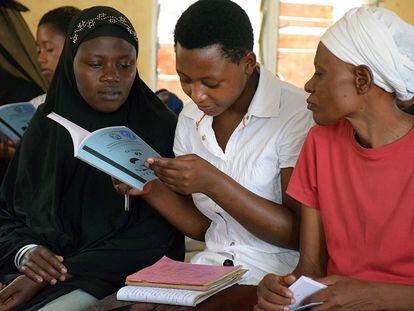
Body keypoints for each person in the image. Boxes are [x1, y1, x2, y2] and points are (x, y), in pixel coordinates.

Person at [115, 0, 313, 285]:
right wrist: (150, 188)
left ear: (247, 63)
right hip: (209, 273)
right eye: (185, 80)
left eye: (211, 83)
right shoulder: (190, 119)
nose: (197, 95)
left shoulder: (295, 114)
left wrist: (214, 182)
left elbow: (299, 235)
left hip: (275, 280)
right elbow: (206, 228)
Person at [0, 6, 183, 311]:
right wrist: (26, 253)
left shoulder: (158, 125)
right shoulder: (47, 122)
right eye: (95, 64)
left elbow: (155, 236)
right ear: (71, 64)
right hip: (37, 270)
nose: (112, 76)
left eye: (126, 65)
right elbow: (8, 211)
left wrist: (54, 273)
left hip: (114, 275)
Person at [255, 7, 414, 311]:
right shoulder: (320, 143)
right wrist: (279, 291)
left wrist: (370, 295)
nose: (308, 85)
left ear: (362, 80)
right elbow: (311, 268)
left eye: (320, 72)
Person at [30, 6, 81, 108]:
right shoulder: (35, 107)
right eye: (38, 51)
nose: (40, 59)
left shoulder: (108, 102)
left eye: (49, 49)